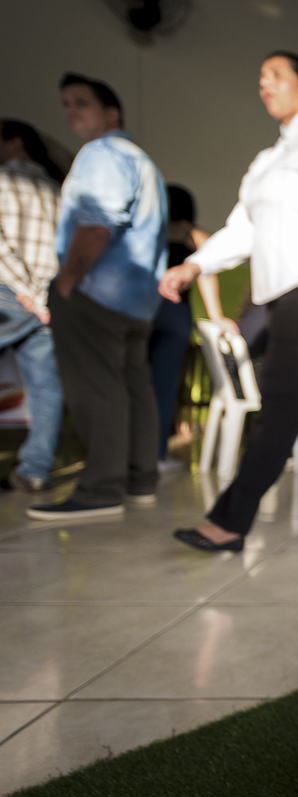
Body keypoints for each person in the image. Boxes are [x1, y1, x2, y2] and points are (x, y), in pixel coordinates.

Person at [159, 51, 298, 552]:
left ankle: (231, 520)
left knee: (279, 406)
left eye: (276, 76)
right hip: (279, 296)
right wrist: (195, 264)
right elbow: (241, 230)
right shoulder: (267, 162)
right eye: (260, 78)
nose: (264, 85)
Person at [28, 73, 167, 520]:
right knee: (132, 386)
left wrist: (67, 281)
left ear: (112, 112)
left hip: (97, 292)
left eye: (81, 103)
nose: (72, 111)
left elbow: (96, 225)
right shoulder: (142, 160)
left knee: (95, 388)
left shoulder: (102, 154)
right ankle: (139, 479)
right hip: (139, 297)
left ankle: (102, 488)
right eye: (66, 103)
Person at [0, 119, 64, 492]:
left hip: (8, 290)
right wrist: (41, 297)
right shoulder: (58, 190)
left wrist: (24, 290)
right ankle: (34, 470)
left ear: (14, 144)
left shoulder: (3, 181)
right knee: (46, 387)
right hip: (47, 299)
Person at [148, 184, 228, 471]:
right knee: (164, 388)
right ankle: (156, 456)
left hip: (140, 312)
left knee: (134, 385)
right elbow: (207, 271)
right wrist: (216, 315)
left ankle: (130, 455)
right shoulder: (194, 236)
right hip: (175, 317)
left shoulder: (146, 231)